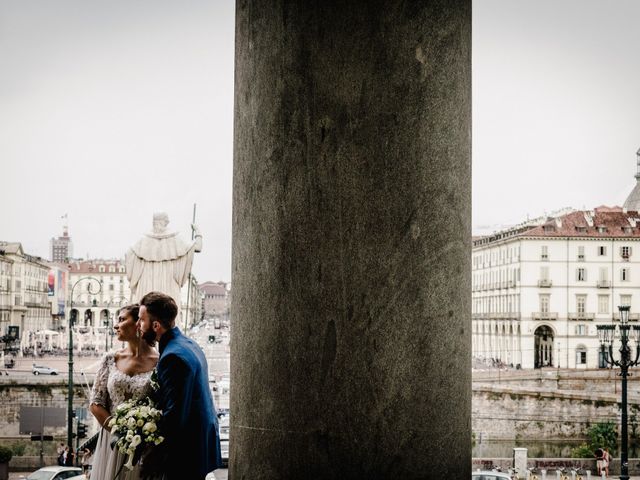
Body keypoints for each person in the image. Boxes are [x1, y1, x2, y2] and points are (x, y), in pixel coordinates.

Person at [137, 291, 221, 479]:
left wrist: (152, 456)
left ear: (156, 326)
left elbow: (174, 417)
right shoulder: (189, 344)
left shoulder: (172, 357)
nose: (138, 326)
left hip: (185, 453)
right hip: (200, 445)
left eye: (142, 321)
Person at [89, 304, 159, 480]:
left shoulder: (160, 361)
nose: (115, 325)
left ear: (138, 323)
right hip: (112, 441)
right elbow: (96, 404)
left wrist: (140, 435)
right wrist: (120, 431)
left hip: (144, 446)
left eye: (121, 319)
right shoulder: (110, 359)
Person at [125, 212, 202, 306]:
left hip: (147, 281)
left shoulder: (143, 240)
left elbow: (129, 254)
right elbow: (198, 247)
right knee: (167, 310)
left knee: (146, 309)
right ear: (165, 222)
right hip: (169, 282)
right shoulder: (176, 239)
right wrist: (198, 231)